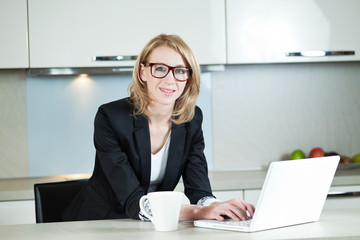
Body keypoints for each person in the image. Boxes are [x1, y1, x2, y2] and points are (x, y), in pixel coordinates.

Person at [62, 34, 255, 222]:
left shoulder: (192, 119)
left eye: (180, 71)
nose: (170, 80)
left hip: (158, 223)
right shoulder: (111, 117)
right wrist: (198, 212)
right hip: (100, 222)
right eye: (160, 68)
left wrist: (214, 206)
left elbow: (199, 189)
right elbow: (134, 201)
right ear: (142, 72)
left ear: (188, 77)